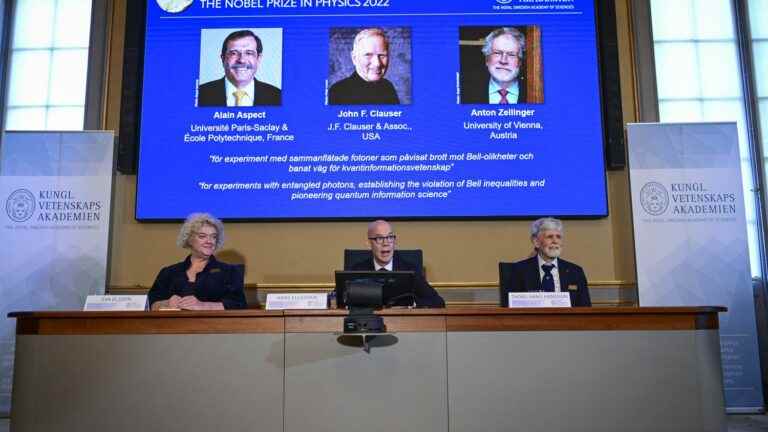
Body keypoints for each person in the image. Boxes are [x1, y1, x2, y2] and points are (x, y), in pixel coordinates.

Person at [148, 213, 247, 310]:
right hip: (173, 325)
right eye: (202, 236)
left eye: (213, 236)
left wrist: (203, 306)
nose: (209, 241)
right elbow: (151, 303)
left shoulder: (231, 272)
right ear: (189, 239)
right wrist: (167, 303)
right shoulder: (169, 272)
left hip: (214, 325)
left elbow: (239, 305)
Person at [348, 219, 445, 307]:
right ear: (369, 244)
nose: (386, 243)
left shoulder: (410, 270)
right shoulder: (357, 270)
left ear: (395, 241)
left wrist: (412, 304)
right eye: (379, 238)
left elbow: (438, 302)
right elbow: (338, 300)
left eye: (390, 237)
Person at [499, 217, 591, 307]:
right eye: (550, 237)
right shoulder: (519, 271)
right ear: (536, 242)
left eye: (558, 237)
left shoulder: (575, 272)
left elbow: (586, 310)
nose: (555, 241)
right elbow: (511, 308)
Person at [198, 30, 281, 107]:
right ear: (223, 59)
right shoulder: (200, 94)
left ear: (258, 59)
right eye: (234, 53)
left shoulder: (278, 96)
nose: (241, 60)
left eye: (249, 53)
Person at [328, 28, 400, 105]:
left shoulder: (388, 87)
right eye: (368, 55)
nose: (377, 63)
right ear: (354, 58)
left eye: (382, 55)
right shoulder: (338, 92)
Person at [461, 27, 528, 104]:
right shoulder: (465, 91)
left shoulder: (532, 93)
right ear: (487, 59)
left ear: (520, 61)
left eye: (511, 55)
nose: (503, 61)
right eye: (497, 53)